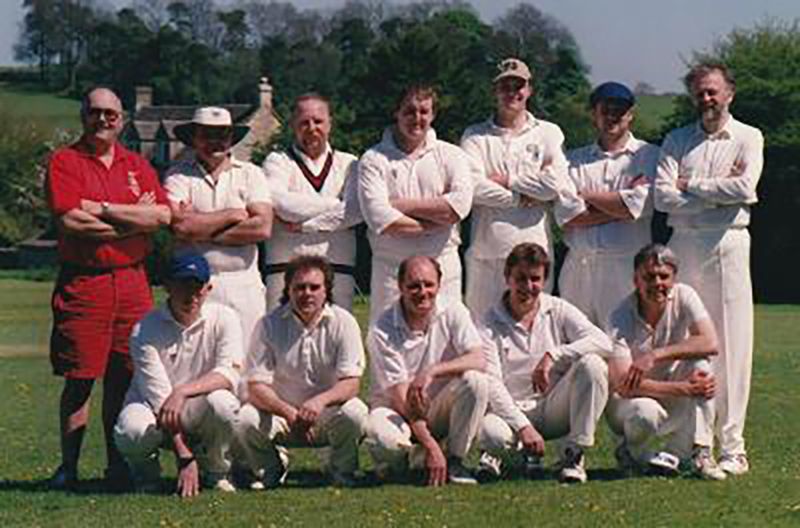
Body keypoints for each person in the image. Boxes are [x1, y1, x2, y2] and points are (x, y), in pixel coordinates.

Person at [45, 86, 171, 489]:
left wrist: (100, 210)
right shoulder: (65, 161)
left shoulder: (137, 164)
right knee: (80, 378)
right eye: (95, 112)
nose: (103, 120)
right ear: (83, 115)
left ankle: (117, 467)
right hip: (86, 281)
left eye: (111, 114)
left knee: (124, 376)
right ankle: (69, 468)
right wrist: (130, 223)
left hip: (134, 282)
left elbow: (161, 215)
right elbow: (70, 222)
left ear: (123, 119)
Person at [654, 62, 763, 475]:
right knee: (685, 340)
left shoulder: (749, 137)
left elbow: (745, 188)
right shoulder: (678, 139)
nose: (707, 99)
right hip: (682, 245)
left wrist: (691, 185)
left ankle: (733, 447)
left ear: (729, 93)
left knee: (732, 345)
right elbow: (663, 198)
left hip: (728, 243)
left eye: (713, 91)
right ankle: (686, 444)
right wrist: (717, 191)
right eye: (700, 92)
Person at [477, 243, 612, 484]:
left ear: (545, 279)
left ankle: (574, 455)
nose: (528, 287)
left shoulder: (557, 308)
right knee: (490, 434)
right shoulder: (488, 321)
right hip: (512, 410)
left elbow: (603, 342)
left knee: (593, 365)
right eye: (520, 278)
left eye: (535, 279)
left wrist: (555, 354)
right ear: (507, 277)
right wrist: (522, 427)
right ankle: (514, 457)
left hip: (553, 407)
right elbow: (492, 384)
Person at [114, 253, 242, 497]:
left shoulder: (225, 318)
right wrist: (184, 455)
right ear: (168, 286)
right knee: (131, 430)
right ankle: (146, 476)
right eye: (183, 285)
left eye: (198, 287)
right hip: (154, 408)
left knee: (224, 403)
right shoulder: (145, 328)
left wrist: (183, 391)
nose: (191, 295)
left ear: (208, 288)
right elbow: (161, 401)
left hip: (197, 405)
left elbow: (228, 375)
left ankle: (217, 472)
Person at [235, 255, 368, 488]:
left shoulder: (344, 322)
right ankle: (271, 469)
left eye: (314, 287)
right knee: (245, 418)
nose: (307, 293)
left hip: (325, 415)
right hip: (282, 416)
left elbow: (352, 383)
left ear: (326, 290)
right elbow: (256, 387)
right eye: (300, 287)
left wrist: (319, 402)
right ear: (288, 289)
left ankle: (341, 469)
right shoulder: (268, 324)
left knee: (355, 412)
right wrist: (289, 413)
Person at [365, 256, 489, 486]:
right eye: (414, 286)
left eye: (429, 284)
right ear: (400, 286)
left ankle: (455, 460)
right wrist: (431, 445)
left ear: (439, 285)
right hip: (397, 411)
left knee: (476, 381)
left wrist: (433, 370)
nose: (422, 292)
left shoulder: (453, 310)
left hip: (439, 406)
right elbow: (403, 401)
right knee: (383, 441)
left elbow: (479, 359)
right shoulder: (381, 330)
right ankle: (413, 457)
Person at [605, 244, 726, 480]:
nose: (657, 283)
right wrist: (683, 389)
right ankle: (631, 453)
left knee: (701, 366)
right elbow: (622, 383)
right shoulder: (619, 315)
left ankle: (700, 452)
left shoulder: (684, 295)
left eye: (664, 276)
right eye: (649, 277)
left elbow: (710, 342)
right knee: (645, 412)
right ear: (635, 280)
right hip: (629, 405)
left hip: (671, 395)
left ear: (674, 278)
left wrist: (655, 355)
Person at [461, 58, 571, 317]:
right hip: (487, 255)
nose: (512, 92)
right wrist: (521, 197)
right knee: (482, 333)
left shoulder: (549, 133)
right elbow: (473, 187)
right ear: (495, 91)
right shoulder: (474, 136)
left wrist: (509, 181)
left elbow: (555, 185)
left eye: (518, 85)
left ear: (529, 89)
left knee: (534, 331)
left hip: (535, 255)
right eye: (505, 86)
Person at [165, 106, 273, 366]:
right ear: (194, 138)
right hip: (194, 287)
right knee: (196, 364)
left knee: (248, 365)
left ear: (231, 139)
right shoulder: (177, 175)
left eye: (221, 135)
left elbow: (262, 228)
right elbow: (180, 227)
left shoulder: (251, 173)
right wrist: (233, 214)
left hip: (244, 285)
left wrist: (200, 229)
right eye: (206, 134)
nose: (214, 142)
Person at [358, 85, 474, 324]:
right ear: (396, 113)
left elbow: (459, 207)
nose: (417, 118)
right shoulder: (372, 159)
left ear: (433, 115)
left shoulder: (452, 155)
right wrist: (437, 222)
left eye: (424, 111)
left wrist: (401, 205)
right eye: (409, 111)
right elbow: (380, 218)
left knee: (446, 340)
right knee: (388, 341)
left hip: (443, 264)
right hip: (390, 269)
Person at [556, 82, 660, 326]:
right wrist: (621, 204)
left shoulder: (650, 155)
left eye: (620, 111)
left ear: (631, 115)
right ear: (594, 114)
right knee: (574, 344)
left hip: (626, 266)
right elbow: (568, 216)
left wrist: (587, 196)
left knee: (624, 342)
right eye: (606, 110)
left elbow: (642, 206)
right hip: (578, 268)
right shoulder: (572, 159)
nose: (612, 116)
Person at [262, 94, 362, 311]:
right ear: (293, 125)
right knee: (281, 338)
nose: (311, 127)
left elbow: (355, 211)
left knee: (336, 336)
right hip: (283, 269)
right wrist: (336, 205)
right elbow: (279, 203)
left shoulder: (349, 163)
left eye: (318, 121)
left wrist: (304, 226)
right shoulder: (277, 160)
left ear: (330, 123)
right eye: (304, 122)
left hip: (338, 267)